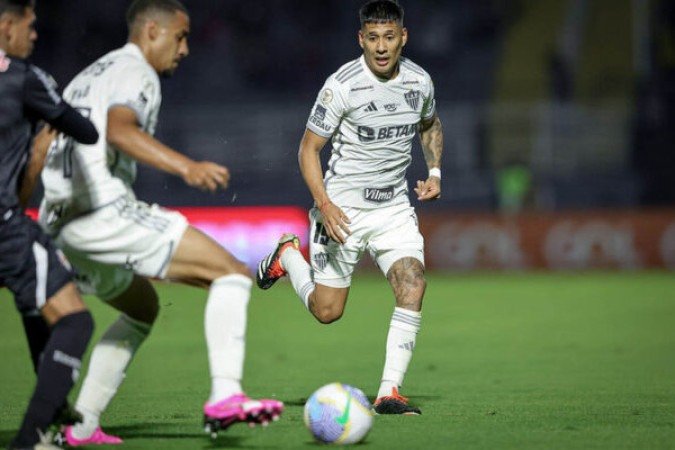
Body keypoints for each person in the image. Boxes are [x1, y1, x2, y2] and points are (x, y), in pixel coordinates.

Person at [37, 0, 282, 445]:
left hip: (62, 220)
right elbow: (120, 130)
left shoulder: (92, 74)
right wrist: (186, 167)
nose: (185, 49)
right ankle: (226, 395)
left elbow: (51, 140)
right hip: (102, 212)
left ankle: (82, 426)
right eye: (180, 36)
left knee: (141, 308)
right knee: (230, 273)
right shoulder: (137, 72)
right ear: (152, 30)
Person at [257, 0, 443, 415]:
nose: (381, 47)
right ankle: (287, 256)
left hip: (393, 208)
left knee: (412, 284)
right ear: (361, 39)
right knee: (327, 312)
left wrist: (435, 172)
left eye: (389, 37)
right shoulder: (341, 85)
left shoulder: (419, 81)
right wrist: (323, 203)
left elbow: (430, 124)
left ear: (403, 37)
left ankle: (389, 392)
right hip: (342, 210)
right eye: (373, 38)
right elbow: (308, 149)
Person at [0, 1, 99, 448]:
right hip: (4, 227)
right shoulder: (23, 78)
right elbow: (85, 130)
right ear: (7, 26)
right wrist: (40, 147)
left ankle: (53, 405)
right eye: (30, 25)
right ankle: (32, 438)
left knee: (34, 301)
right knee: (74, 321)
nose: (35, 35)